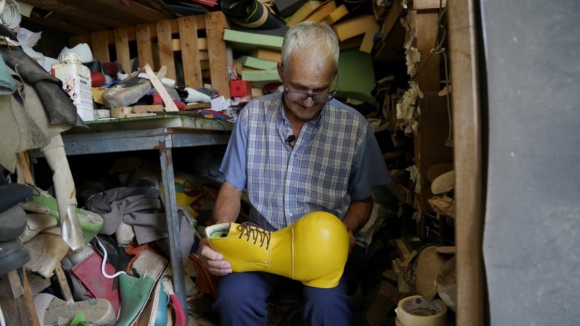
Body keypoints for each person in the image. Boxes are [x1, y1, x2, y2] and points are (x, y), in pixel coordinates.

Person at [198, 21, 390, 325]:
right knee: (234, 299)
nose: (310, 101)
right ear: (281, 73)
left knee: (330, 308)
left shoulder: (354, 127)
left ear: (333, 78)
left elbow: (363, 200)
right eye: (299, 88)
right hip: (265, 245)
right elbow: (232, 188)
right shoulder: (252, 117)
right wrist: (220, 236)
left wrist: (347, 230)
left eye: (321, 90)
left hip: (325, 253)